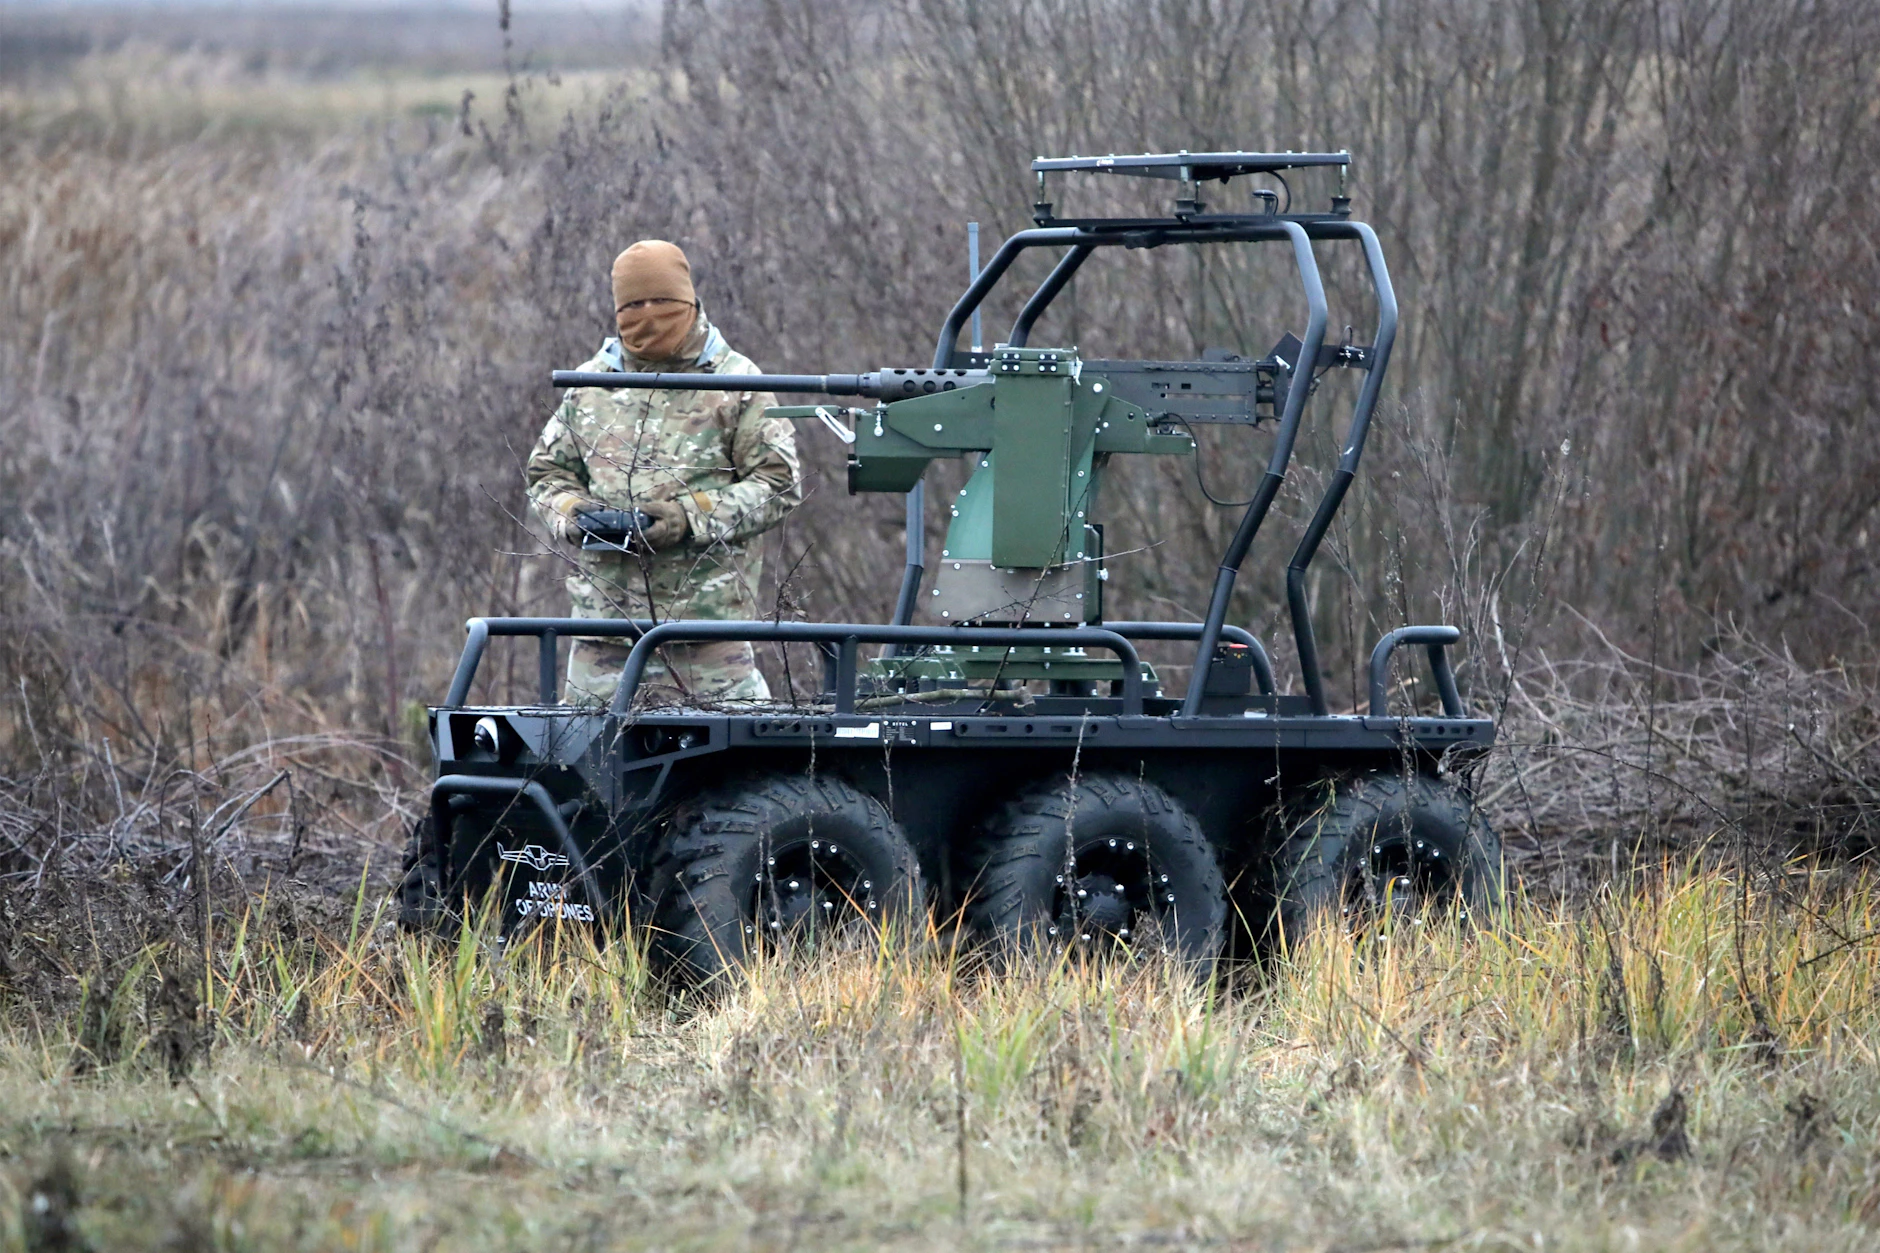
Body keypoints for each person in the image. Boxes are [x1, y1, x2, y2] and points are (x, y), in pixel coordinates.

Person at [526, 240, 801, 706]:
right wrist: (575, 515)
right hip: (602, 639)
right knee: (587, 773)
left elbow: (778, 484)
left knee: (728, 773)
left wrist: (687, 518)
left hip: (707, 643)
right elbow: (546, 474)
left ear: (689, 301)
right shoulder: (591, 385)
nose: (648, 315)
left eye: (663, 302)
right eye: (633, 305)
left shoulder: (737, 384)